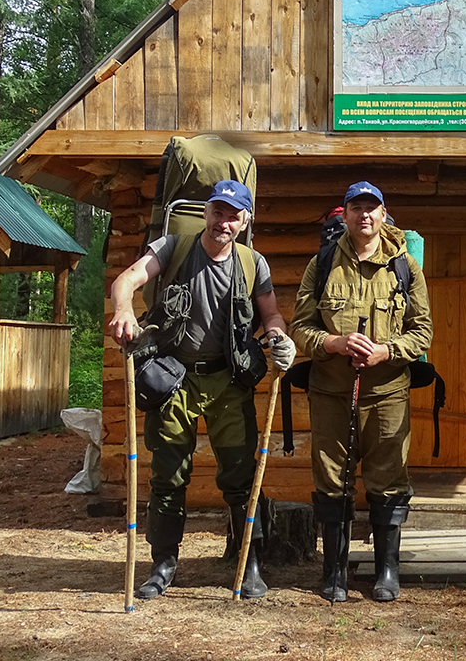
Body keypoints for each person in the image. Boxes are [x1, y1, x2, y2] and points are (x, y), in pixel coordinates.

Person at [107, 179, 291, 601]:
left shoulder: (252, 263)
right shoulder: (173, 247)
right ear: (206, 212)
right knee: (168, 476)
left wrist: (281, 339)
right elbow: (127, 279)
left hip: (229, 381)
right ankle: (163, 563)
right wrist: (123, 311)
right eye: (218, 211)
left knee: (242, 477)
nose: (223, 222)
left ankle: (250, 562)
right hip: (174, 379)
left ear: (245, 221)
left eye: (233, 215)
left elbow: (271, 315)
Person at [290, 181, 433, 602]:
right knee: (331, 477)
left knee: (388, 476)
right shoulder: (322, 264)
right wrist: (332, 343)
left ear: (383, 214)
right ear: (346, 214)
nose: (364, 215)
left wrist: (386, 350)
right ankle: (334, 570)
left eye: (372, 208)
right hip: (332, 390)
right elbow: (300, 326)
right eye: (356, 208)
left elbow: (422, 331)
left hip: (387, 390)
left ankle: (387, 569)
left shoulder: (405, 266)